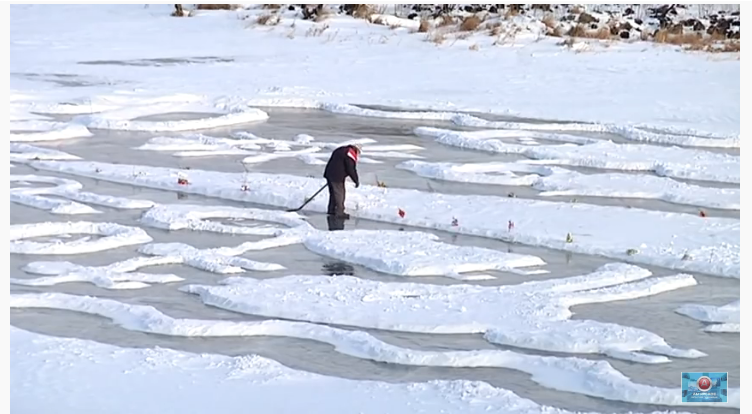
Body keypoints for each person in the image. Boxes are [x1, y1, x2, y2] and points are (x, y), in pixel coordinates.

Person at [323, 144, 361, 219]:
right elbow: (351, 169)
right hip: (337, 177)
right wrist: (356, 180)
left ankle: (331, 211)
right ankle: (339, 213)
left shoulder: (341, 150)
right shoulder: (350, 153)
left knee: (333, 194)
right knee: (340, 194)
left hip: (330, 174)